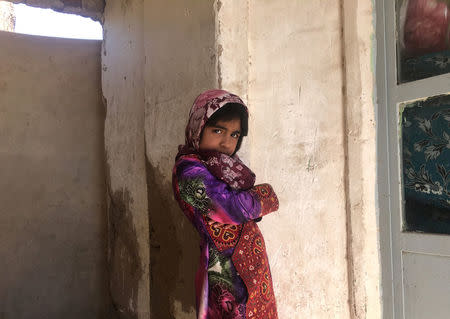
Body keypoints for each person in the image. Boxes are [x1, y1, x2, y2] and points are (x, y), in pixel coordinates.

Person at [172, 89, 279, 319]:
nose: (226, 142)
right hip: (226, 276)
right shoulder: (188, 170)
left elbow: (245, 208)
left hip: (251, 272)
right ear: (198, 127)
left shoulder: (224, 166)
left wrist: (251, 205)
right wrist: (265, 195)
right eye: (218, 130)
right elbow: (232, 208)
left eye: (234, 135)